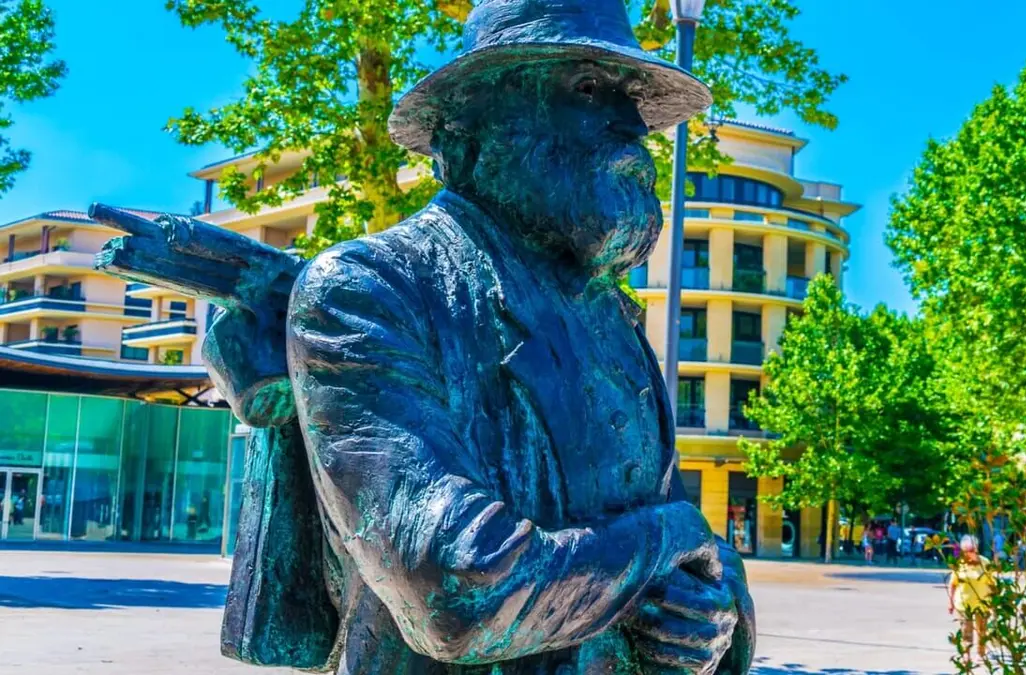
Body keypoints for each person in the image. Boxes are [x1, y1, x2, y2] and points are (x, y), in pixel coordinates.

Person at [203, 1, 755, 673]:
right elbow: (456, 586)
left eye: (634, 103)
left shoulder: (615, 322)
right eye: (588, 89)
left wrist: (717, 605)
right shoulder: (370, 291)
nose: (633, 128)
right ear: (477, 126)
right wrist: (671, 538)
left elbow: (682, 543)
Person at [948, 535, 993, 664]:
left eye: (972, 550)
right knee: (965, 631)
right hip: (963, 603)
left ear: (977, 549)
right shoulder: (960, 564)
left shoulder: (985, 563)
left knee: (982, 630)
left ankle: (981, 654)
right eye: (966, 551)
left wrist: (993, 602)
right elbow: (953, 584)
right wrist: (950, 602)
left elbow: (992, 584)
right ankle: (966, 654)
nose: (969, 554)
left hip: (982, 602)